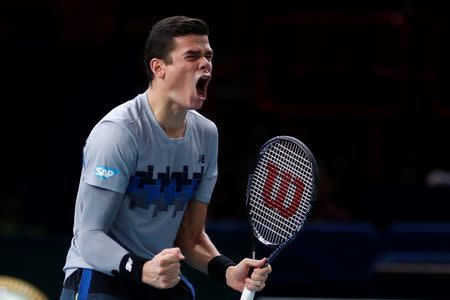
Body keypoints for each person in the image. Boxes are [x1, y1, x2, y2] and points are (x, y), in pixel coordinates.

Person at [60, 16, 271, 300]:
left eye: (208, 55)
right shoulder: (119, 133)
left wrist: (226, 271)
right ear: (158, 67)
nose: (205, 63)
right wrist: (142, 269)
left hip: (159, 276)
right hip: (101, 275)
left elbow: (190, 238)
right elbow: (89, 237)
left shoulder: (207, 135)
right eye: (192, 55)